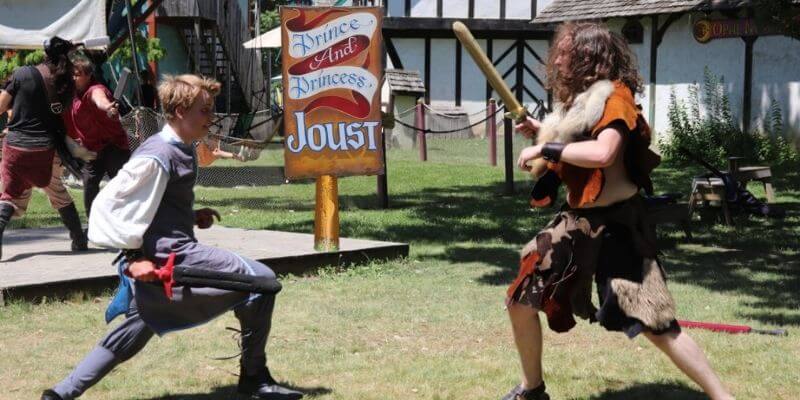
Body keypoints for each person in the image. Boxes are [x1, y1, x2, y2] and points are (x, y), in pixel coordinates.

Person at [502, 22, 734, 400]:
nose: (557, 60)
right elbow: (576, 145)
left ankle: (724, 398)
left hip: (620, 227)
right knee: (522, 297)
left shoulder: (615, 98)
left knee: (657, 324)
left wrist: (547, 150)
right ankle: (532, 389)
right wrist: (543, 131)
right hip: (575, 223)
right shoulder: (579, 103)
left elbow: (603, 151)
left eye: (565, 54)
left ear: (588, 58)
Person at [40, 74, 303, 400]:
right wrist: (136, 259)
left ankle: (60, 393)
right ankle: (254, 378)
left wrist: (188, 216)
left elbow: (152, 203)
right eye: (204, 111)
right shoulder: (158, 154)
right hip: (170, 260)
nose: (211, 118)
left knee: (135, 329)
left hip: (169, 255)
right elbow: (108, 206)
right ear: (180, 111)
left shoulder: (182, 148)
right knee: (262, 282)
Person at [0, 37, 88, 259]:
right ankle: (79, 239)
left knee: (9, 196)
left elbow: (1, 106)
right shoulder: (66, 83)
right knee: (58, 192)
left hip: (16, 147)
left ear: (44, 53)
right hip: (47, 152)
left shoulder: (22, 74)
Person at [63, 57, 131, 218]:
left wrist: (108, 107)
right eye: (72, 74)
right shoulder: (73, 94)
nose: (73, 78)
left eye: (77, 74)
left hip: (114, 148)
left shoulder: (95, 89)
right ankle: (94, 224)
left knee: (121, 187)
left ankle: (127, 221)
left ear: (88, 75)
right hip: (93, 150)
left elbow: (99, 99)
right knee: (89, 184)